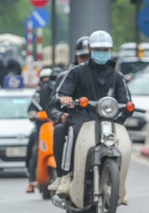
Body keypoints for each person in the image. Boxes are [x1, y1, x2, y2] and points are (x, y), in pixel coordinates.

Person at [54, 30, 132, 198]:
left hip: (109, 121)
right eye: (98, 49)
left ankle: (120, 184)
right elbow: (59, 95)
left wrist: (126, 111)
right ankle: (66, 176)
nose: (102, 53)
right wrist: (64, 99)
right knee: (72, 132)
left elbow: (126, 101)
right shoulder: (77, 72)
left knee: (124, 143)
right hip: (82, 118)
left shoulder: (117, 76)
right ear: (90, 49)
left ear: (111, 50)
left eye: (106, 50)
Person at [46, 36, 91, 192]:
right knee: (59, 130)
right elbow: (52, 104)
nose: (86, 60)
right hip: (74, 120)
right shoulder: (67, 76)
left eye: (89, 57)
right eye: (83, 57)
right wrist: (61, 115)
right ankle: (61, 176)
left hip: (97, 121)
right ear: (76, 57)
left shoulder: (105, 75)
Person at [26, 68, 56, 193]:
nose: (47, 82)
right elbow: (31, 110)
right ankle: (32, 179)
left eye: (50, 80)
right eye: (45, 79)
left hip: (57, 126)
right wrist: (37, 115)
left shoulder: (62, 93)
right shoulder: (38, 95)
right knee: (34, 149)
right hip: (42, 128)